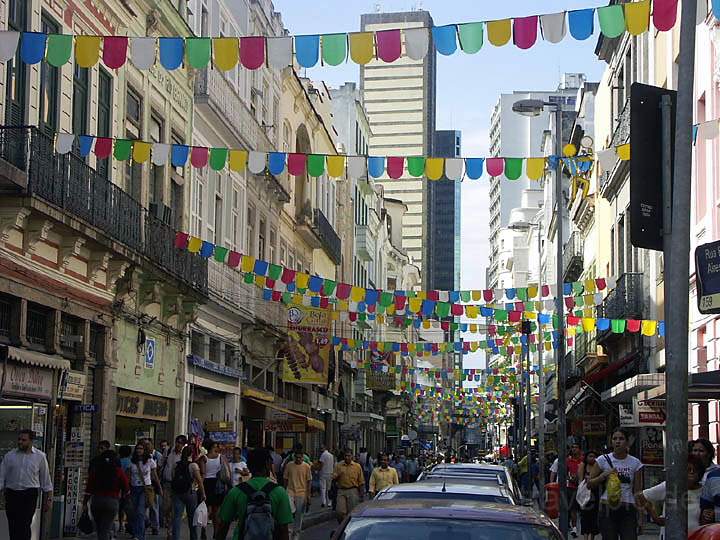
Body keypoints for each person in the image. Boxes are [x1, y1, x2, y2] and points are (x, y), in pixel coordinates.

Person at [215, 447, 293, 540]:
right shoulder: (279, 492)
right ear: (268, 464)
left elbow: (223, 525)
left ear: (248, 466)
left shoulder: (236, 491)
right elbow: (283, 529)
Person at [0, 429, 53, 540]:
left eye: (24, 440)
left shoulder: (40, 457)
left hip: (29, 494)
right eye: (19, 439)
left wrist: (49, 499)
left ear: (31, 441)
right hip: (12, 494)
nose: (20, 442)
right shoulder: (10, 456)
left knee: (24, 524)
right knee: (13, 525)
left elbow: (45, 479)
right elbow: (1, 476)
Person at [636, 455, 705, 539]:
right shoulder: (670, 485)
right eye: (688, 469)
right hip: (670, 536)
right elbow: (642, 495)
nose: (691, 473)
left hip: (696, 536)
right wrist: (655, 518)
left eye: (695, 470)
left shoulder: (704, 490)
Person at [592, 428, 643, 540]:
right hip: (607, 507)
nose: (618, 441)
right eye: (615, 439)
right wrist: (603, 476)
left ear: (627, 442)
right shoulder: (602, 460)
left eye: (621, 439)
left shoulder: (635, 463)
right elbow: (589, 484)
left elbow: (638, 491)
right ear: (611, 442)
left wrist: (640, 517)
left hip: (628, 507)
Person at [83, 449, 129, 540]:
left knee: (100, 527)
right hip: (112, 501)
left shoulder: (96, 471)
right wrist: (125, 498)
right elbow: (126, 487)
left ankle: (106, 537)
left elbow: (89, 488)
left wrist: (85, 502)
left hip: (97, 501)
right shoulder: (118, 471)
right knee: (105, 527)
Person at [125, 442, 162, 540]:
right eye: (137, 448)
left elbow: (155, 476)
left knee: (140, 511)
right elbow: (128, 477)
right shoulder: (131, 462)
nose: (139, 450)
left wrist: (159, 488)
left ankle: (139, 536)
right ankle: (138, 530)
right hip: (134, 488)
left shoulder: (150, 461)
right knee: (134, 512)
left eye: (141, 448)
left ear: (144, 450)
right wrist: (126, 490)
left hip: (145, 488)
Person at [171, 445, 206, 540]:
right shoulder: (193, 465)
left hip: (177, 493)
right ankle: (194, 538)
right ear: (192, 454)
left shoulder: (176, 464)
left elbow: (172, 478)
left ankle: (175, 538)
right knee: (192, 518)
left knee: (177, 518)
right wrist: (203, 493)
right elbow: (199, 481)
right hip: (190, 493)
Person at [198, 439, 231, 539]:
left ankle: (203, 532)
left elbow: (202, 474)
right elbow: (228, 472)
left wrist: (200, 488)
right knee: (216, 511)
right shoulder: (222, 457)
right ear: (213, 446)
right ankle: (216, 532)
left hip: (206, 484)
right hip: (218, 484)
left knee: (206, 510)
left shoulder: (203, 458)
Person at [550, 443, 584, 536]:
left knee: (577, 509)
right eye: (572, 447)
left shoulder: (583, 461)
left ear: (579, 449)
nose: (574, 449)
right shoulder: (567, 461)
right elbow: (563, 473)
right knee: (569, 508)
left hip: (581, 488)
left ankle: (575, 528)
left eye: (576, 447)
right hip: (569, 488)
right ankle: (572, 527)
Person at [161, 435, 188, 535]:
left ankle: (171, 530)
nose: (178, 445)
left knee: (175, 509)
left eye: (180, 443)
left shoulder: (185, 454)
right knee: (166, 507)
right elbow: (161, 463)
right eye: (177, 442)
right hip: (167, 483)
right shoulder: (168, 451)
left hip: (178, 485)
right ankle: (169, 526)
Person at [283, 448, 312, 540]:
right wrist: (284, 490)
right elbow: (285, 479)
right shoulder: (289, 465)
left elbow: (309, 481)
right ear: (294, 457)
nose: (298, 459)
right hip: (290, 491)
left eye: (300, 457)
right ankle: (289, 531)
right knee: (290, 511)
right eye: (297, 457)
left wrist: (308, 495)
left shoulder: (306, 466)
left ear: (303, 457)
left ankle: (296, 534)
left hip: (301, 493)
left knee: (299, 515)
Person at [333, 449, 364, 523]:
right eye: (345, 456)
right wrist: (336, 476)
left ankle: (350, 527)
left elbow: (361, 481)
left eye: (349, 456)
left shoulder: (357, 466)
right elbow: (333, 478)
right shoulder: (339, 465)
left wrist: (361, 495)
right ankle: (342, 526)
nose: (347, 457)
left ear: (352, 456)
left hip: (353, 490)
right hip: (342, 490)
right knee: (339, 512)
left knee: (352, 512)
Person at [577, 450, 602, 540]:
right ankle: (585, 537)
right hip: (584, 494)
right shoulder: (582, 466)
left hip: (595, 495)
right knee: (584, 516)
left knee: (594, 517)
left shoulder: (598, 467)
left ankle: (592, 537)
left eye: (594, 456)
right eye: (590, 456)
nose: (592, 458)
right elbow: (580, 481)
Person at [143, 438, 163, 535]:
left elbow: (158, 471)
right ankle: (146, 523)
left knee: (154, 506)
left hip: (153, 485)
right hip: (142, 485)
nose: (146, 447)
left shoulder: (157, 456)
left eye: (148, 444)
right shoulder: (141, 457)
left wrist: (159, 486)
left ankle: (155, 526)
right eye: (144, 445)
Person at [118, 445, 133, 534]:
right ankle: (128, 524)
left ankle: (120, 525)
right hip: (128, 486)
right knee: (127, 507)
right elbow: (129, 476)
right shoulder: (130, 462)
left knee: (120, 508)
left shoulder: (118, 461)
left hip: (118, 487)